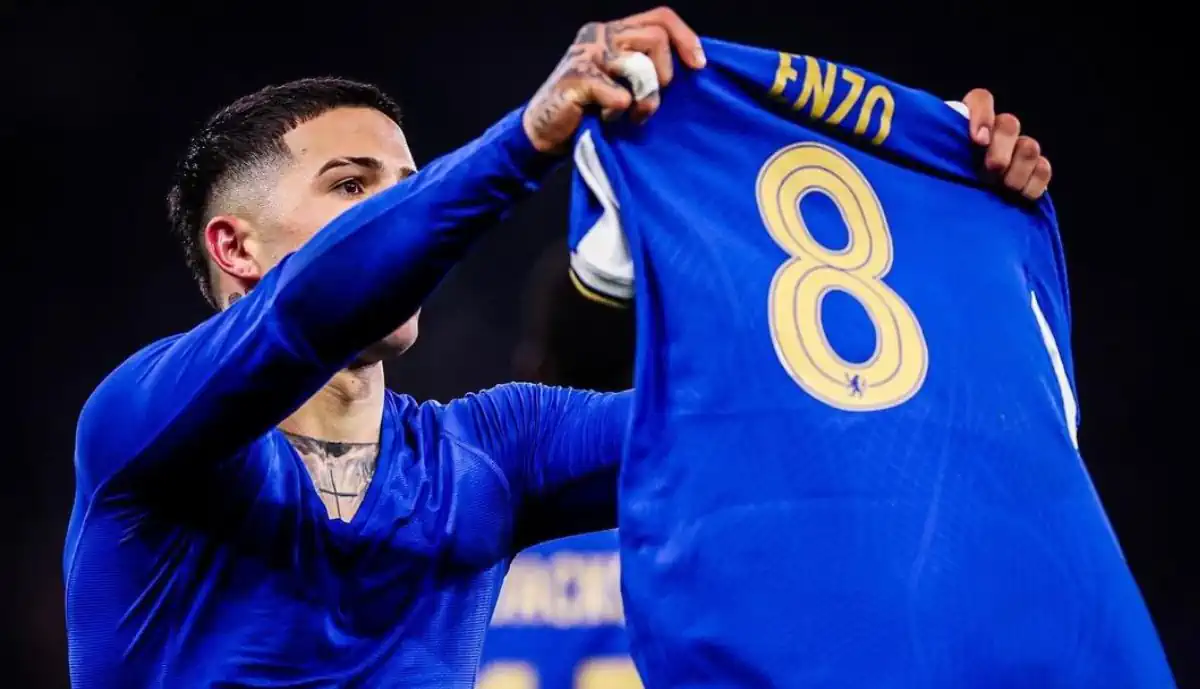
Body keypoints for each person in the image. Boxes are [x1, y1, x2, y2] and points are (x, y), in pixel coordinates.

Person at [63, 7, 1052, 687]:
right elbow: (305, 313)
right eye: (353, 186)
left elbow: (783, 416)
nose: (401, 211)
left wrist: (944, 226)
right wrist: (523, 142)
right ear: (235, 247)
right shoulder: (142, 429)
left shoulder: (490, 450)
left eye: (408, 183)